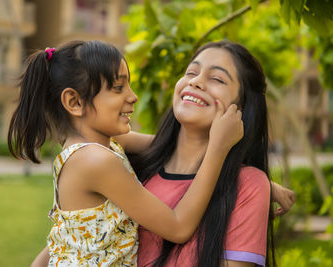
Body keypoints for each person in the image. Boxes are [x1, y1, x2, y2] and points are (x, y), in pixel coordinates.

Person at [8, 40, 244, 266]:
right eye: (118, 88)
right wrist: (218, 148)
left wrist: (242, 177)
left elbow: (174, 149)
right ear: (74, 102)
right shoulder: (96, 161)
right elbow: (178, 227)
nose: (133, 96)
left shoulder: (98, 144)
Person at [117, 40, 295, 267]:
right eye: (191, 72)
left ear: (241, 108)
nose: (196, 81)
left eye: (217, 79)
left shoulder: (248, 185)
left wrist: (229, 158)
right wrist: (169, 146)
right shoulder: (129, 166)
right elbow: (88, 132)